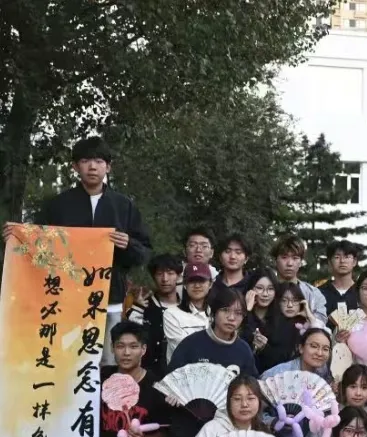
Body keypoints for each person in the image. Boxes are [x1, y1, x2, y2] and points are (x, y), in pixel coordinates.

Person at [2, 136, 153, 365]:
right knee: (68, 364)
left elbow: (144, 252)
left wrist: (128, 244)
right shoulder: (58, 205)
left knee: (109, 364)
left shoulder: (124, 206)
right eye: (85, 161)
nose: (92, 167)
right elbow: (38, 245)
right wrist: (17, 238)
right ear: (75, 166)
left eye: (99, 161)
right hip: (65, 300)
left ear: (108, 167)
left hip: (109, 299)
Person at [168, 287, 258, 377]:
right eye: (225, 310)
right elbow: (172, 379)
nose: (231, 318)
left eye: (238, 313)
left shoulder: (243, 350)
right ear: (214, 312)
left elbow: (251, 382)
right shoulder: (191, 344)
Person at [126, 253, 182, 378]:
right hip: (148, 376)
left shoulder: (187, 307)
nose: (165, 279)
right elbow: (130, 339)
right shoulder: (143, 306)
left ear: (178, 276)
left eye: (170, 273)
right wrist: (138, 308)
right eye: (159, 274)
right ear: (153, 276)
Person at [241, 268, 295, 373]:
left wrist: (265, 348)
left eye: (270, 289)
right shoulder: (242, 314)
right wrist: (246, 310)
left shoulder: (283, 319)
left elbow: (284, 359)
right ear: (250, 290)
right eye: (259, 288)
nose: (265, 294)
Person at [271, 234, 328, 324]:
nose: (289, 263)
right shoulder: (265, 292)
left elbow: (322, 325)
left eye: (295, 258)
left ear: (301, 262)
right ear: (275, 260)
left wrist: (309, 316)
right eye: (284, 257)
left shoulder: (313, 294)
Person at [163, 262, 213, 362]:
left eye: (201, 280)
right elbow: (184, 349)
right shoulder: (171, 314)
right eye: (192, 281)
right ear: (185, 285)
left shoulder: (218, 313)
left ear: (210, 284)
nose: (197, 285)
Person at [319, 240, 360, 316]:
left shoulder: (361, 291)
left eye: (347, 257)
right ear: (330, 262)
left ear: (354, 262)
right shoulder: (319, 293)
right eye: (337, 257)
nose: (342, 261)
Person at [178, 228, 219, 293]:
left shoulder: (218, 279)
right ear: (184, 252)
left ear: (211, 253)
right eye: (192, 245)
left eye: (204, 246)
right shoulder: (174, 276)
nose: (198, 250)